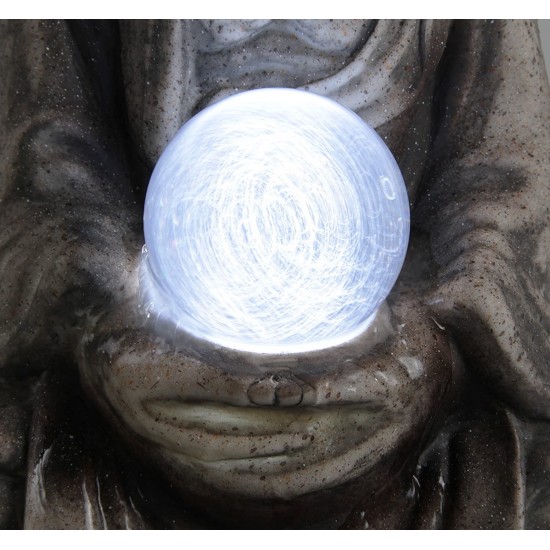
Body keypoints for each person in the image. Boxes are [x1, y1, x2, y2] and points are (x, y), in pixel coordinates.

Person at [0, 19, 549, 529]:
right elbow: (44, 168)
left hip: (393, 358)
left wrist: (428, 353)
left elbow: (502, 188)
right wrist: (105, 325)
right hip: (148, 345)